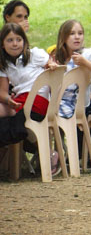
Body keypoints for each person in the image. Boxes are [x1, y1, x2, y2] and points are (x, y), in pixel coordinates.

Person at [0, 23, 61, 174]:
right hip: (19, 101)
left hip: (38, 100)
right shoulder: (4, 64)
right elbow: (2, 92)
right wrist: (8, 100)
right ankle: (6, 163)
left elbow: (52, 66)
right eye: (10, 40)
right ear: (2, 43)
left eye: (18, 39)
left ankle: (49, 153)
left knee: (20, 120)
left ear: (24, 41)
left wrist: (51, 64)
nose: (15, 44)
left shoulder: (34, 54)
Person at [54, 20, 91, 119]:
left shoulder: (88, 54)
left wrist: (86, 63)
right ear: (63, 37)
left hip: (77, 106)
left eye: (80, 33)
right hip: (56, 102)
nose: (77, 37)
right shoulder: (59, 58)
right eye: (72, 33)